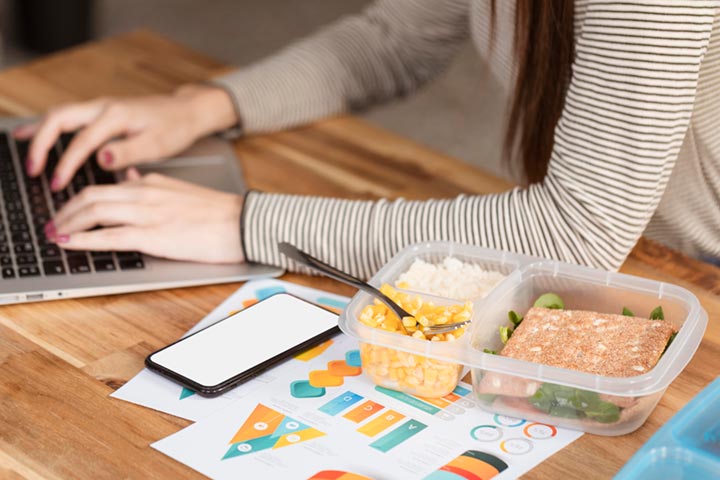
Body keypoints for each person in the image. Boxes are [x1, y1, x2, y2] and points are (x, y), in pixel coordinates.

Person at [13, 0, 720, 277]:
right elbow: (393, 40)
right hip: (637, 264)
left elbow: (571, 233)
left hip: (694, 284)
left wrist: (245, 221)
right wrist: (202, 106)